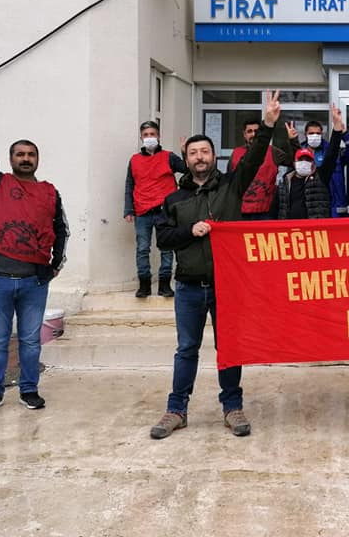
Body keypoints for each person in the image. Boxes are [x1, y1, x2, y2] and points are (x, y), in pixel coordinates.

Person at [150, 90, 282, 440]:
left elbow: (255, 157)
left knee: (230, 348)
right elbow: (163, 238)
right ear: (186, 159)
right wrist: (189, 231)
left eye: (205, 151)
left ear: (214, 156)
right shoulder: (174, 199)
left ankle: (232, 407)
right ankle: (176, 410)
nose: (200, 157)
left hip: (227, 286)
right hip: (189, 288)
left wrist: (268, 124)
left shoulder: (231, 187)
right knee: (186, 349)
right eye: (193, 153)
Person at [0, 97, 69, 415]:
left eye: (30, 155)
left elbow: (62, 230)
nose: (25, 159)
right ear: (11, 159)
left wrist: (55, 265)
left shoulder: (50, 192)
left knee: (30, 341)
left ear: (37, 160)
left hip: (33, 282)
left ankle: (29, 390)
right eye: (20, 154)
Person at [124, 120, 186, 298]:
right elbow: (129, 185)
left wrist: (184, 152)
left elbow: (187, 170)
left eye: (152, 134)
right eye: (146, 135)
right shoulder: (134, 160)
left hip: (164, 210)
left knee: (166, 248)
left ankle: (164, 284)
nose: (149, 137)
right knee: (142, 249)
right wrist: (128, 210)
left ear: (158, 136)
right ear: (141, 138)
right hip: (142, 210)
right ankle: (144, 284)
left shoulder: (169, 157)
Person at [278, 105, 345, 219]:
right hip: (292, 228)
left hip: (316, 228)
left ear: (313, 163)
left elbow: (331, 155)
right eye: (301, 160)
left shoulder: (321, 177)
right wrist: (293, 140)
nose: (304, 162)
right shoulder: (287, 181)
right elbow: (281, 208)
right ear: (294, 163)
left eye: (308, 160)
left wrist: (337, 128)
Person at [227, 117, 296, 220]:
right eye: (249, 131)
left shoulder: (273, 152)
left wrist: (293, 141)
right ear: (244, 134)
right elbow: (229, 182)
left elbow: (296, 163)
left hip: (266, 212)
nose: (253, 134)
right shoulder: (236, 153)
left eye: (256, 131)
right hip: (240, 211)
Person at [301, 114, 349, 216]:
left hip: (333, 206)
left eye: (318, 133)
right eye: (311, 133)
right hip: (307, 206)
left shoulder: (333, 152)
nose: (314, 136)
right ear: (305, 134)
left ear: (322, 134)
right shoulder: (299, 154)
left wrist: (344, 134)